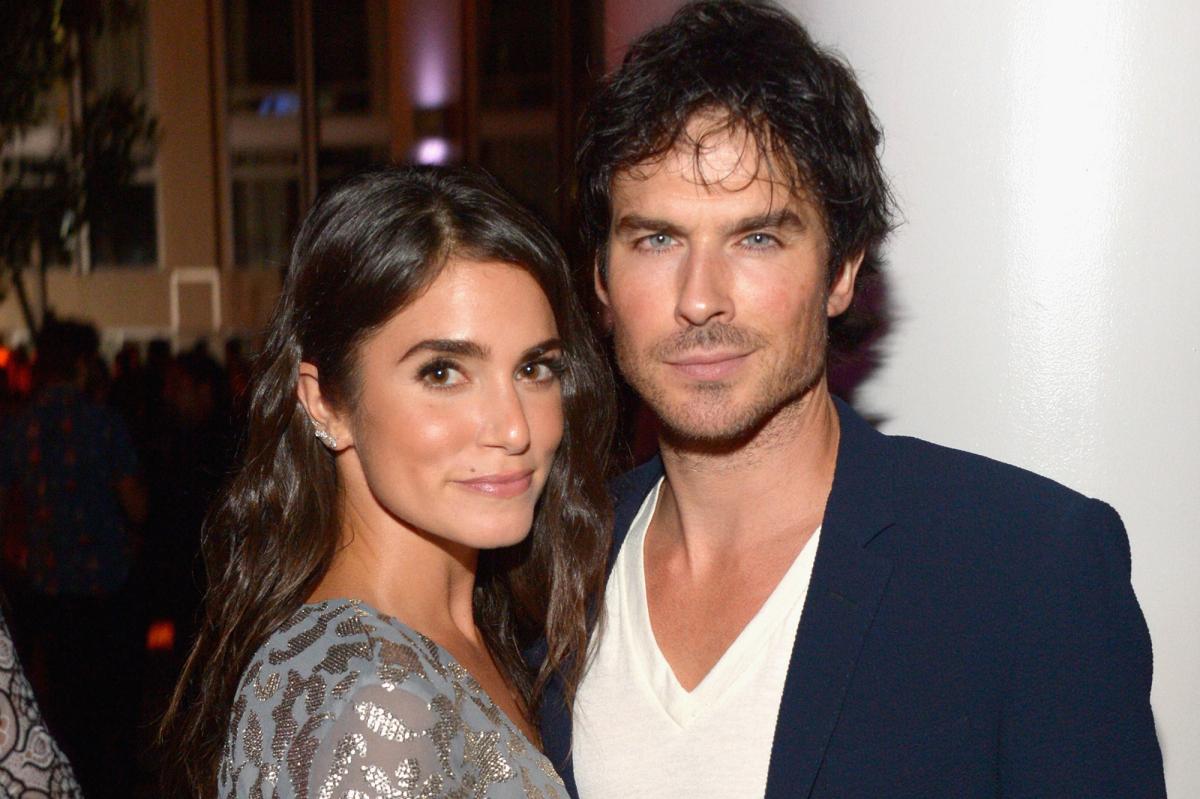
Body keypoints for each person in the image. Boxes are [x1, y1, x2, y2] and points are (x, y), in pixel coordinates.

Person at [538, 2, 1167, 798]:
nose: (700, 298)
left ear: (840, 272)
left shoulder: (1027, 571)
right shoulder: (547, 573)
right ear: (601, 279)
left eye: (757, 237)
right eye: (657, 239)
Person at [159, 166, 614, 798]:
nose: (514, 429)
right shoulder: (366, 701)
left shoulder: (467, 636)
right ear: (325, 403)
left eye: (534, 368)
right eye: (443, 373)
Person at [0, 317, 147, 799]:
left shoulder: (20, 428)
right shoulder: (103, 423)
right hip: (107, 589)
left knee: (64, 712)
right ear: (83, 364)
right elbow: (136, 506)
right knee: (112, 714)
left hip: (49, 588)